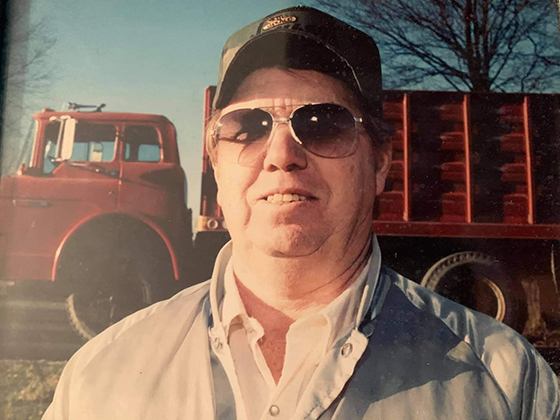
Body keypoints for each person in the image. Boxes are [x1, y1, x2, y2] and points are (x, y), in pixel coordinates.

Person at [43, 6, 559, 419]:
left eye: (324, 123)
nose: (281, 154)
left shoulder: (511, 386)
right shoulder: (98, 377)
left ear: (380, 162)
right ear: (216, 164)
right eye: (248, 126)